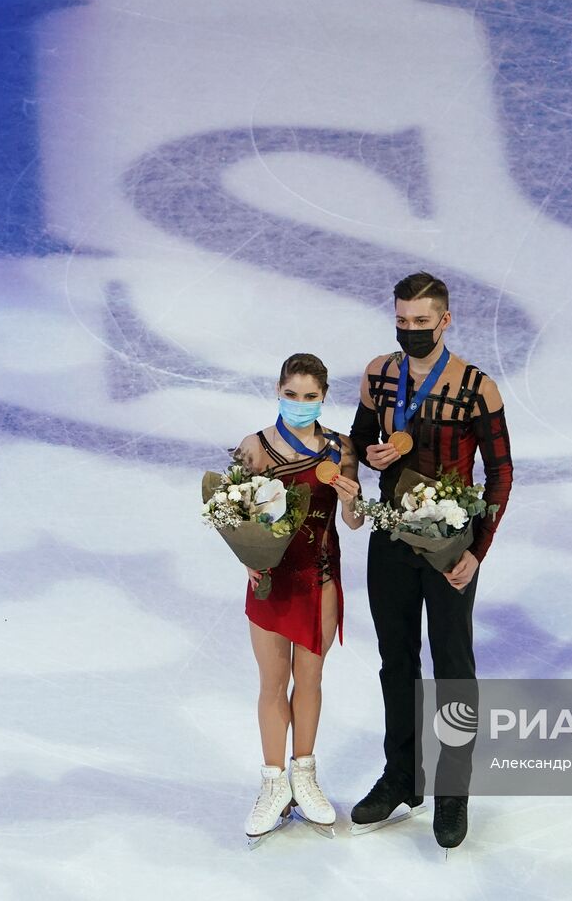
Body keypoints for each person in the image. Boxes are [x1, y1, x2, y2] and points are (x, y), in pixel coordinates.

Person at [348, 272, 514, 849]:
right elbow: (359, 441)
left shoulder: (476, 386)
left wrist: (476, 550)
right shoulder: (379, 374)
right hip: (392, 537)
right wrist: (363, 461)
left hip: (447, 544)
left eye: (422, 321)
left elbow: (500, 473)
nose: (411, 331)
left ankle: (452, 792)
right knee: (396, 663)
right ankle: (401, 777)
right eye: (402, 321)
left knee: (453, 670)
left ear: (446, 319)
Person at [233, 353, 365, 841]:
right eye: (292, 395)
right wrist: (247, 557)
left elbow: (352, 522)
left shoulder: (340, 449)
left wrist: (351, 500)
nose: (301, 404)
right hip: (270, 581)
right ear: (278, 391)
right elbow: (234, 513)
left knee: (309, 679)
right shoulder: (256, 447)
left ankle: (304, 777)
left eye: (311, 397)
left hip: (320, 579)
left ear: (324, 397)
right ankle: (273, 785)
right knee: (273, 682)